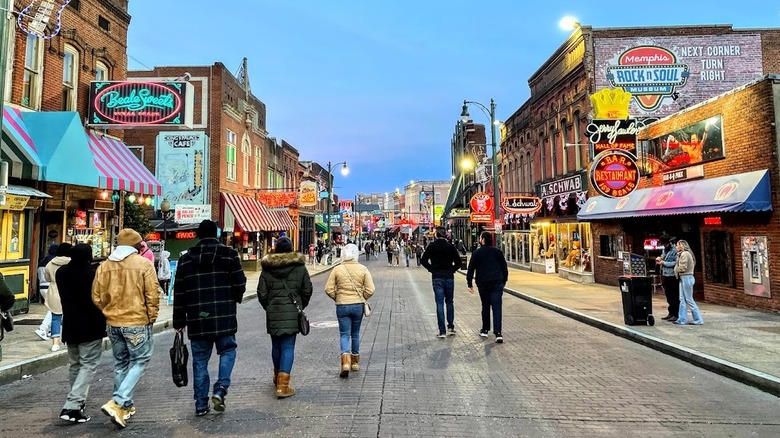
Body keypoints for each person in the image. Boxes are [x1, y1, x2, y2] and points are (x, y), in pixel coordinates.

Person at [174, 220, 247, 416]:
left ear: (198, 235)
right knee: (228, 350)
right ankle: (220, 388)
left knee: (199, 360)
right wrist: (234, 298)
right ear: (216, 234)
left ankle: (200, 403)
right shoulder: (229, 255)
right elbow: (241, 283)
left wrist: (179, 321)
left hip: (197, 318)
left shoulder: (185, 260)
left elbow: (179, 292)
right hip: (224, 315)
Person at [92, 228, 160, 429]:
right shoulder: (144, 265)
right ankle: (119, 400)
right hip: (137, 320)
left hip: (113, 322)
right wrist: (151, 316)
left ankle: (125, 406)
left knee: (121, 363)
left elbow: (97, 296)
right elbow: (153, 294)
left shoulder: (104, 267)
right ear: (135, 246)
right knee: (140, 360)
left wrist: (108, 311)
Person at [257, 237, 313, 398]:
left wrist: (269, 306)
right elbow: (307, 289)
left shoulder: (267, 269)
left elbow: (261, 293)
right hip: (292, 311)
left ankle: (277, 376)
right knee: (288, 346)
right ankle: (283, 385)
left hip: (273, 312)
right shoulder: (299, 267)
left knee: (276, 345)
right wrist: (300, 305)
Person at [57, 244, 105, 423]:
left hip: (70, 324)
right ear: (89, 257)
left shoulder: (62, 273)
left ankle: (78, 401)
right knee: (88, 365)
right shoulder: (93, 274)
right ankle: (73, 405)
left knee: (75, 364)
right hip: (91, 325)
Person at [325, 244, 375, 378]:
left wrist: (337, 297)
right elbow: (371, 289)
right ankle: (355, 362)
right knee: (356, 333)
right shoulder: (363, 269)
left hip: (342, 305)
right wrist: (362, 297)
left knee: (344, 334)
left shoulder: (337, 269)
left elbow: (328, 289)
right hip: (358, 305)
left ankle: (345, 362)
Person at [466, 232, 509, 343]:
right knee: (497, 307)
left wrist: (469, 283)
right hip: (496, 282)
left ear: (483, 240)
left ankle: (485, 329)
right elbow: (504, 267)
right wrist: (504, 280)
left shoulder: (477, 253)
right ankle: (498, 332)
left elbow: (471, 268)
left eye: (480, 238)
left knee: (485, 306)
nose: (480, 240)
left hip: (483, 283)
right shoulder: (498, 252)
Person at [420, 227, 462, 338]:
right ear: (445, 235)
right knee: (449, 302)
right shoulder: (450, 247)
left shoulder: (432, 246)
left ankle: (442, 330)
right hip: (449, 276)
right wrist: (451, 270)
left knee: (439, 303)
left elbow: (423, 260)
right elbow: (458, 262)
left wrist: (432, 269)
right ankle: (451, 326)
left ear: (436, 235)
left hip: (437, 276)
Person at [44, 243, 72, 352]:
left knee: (56, 318)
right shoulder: (72, 263)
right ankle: (69, 339)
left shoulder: (50, 263)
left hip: (54, 291)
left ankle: (55, 343)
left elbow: (47, 278)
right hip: (70, 291)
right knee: (70, 317)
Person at [673, 239, 704, 325]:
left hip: (686, 277)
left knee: (689, 299)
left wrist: (676, 269)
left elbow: (683, 267)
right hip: (683, 278)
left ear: (681, 246)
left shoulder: (685, 254)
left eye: (677, 245)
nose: (676, 247)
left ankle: (698, 319)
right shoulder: (682, 254)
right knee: (682, 299)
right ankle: (682, 319)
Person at [35, 243, 59, 340]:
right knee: (54, 310)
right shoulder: (54, 262)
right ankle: (43, 328)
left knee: (54, 309)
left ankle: (51, 330)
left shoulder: (42, 261)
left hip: (42, 287)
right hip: (51, 287)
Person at [655, 235, 680, 322]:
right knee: (668, 295)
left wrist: (664, 263)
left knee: (674, 295)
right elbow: (663, 255)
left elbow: (676, 263)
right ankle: (671, 313)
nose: (665, 246)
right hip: (665, 274)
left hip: (672, 275)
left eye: (665, 244)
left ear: (669, 243)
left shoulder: (675, 250)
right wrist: (660, 258)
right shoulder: (664, 250)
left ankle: (676, 314)